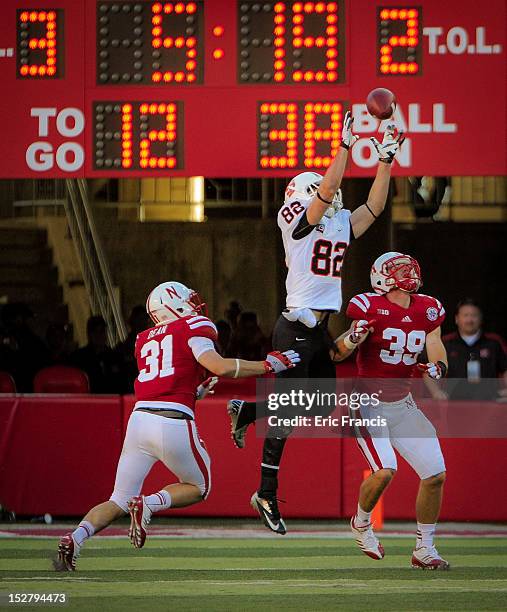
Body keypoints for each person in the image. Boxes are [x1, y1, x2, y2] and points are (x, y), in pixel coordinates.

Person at [226, 112, 405, 534]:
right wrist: (343, 148)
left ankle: (248, 410)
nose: (337, 198)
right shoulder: (293, 216)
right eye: (325, 192)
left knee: (320, 404)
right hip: (296, 324)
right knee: (288, 412)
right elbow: (326, 191)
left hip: (317, 328)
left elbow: (374, 208)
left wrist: (385, 159)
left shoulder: (338, 220)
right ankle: (265, 492)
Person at [54, 281, 300, 571]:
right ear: (173, 304)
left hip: (139, 420)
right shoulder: (194, 326)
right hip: (171, 422)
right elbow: (219, 366)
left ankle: (74, 538)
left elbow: (165, 379)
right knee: (199, 486)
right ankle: (149, 504)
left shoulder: (144, 338)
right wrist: (268, 365)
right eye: (188, 299)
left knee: (118, 498)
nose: (195, 304)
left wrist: (195, 390)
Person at [333, 252, 449, 570]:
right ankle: (361, 523)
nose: (408, 271)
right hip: (367, 401)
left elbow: (435, 343)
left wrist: (438, 366)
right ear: (381, 277)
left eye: (409, 266)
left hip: (403, 403)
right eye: (399, 268)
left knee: (435, 475)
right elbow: (336, 352)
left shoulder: (429, 307)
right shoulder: (368, 305)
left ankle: (425, 548)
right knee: (385, 470)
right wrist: (354, 338)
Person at [440, 299, 507, 400]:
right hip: (453, 404)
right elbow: (429, 371)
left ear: (481, 318)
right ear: (457, 319)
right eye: (465, 315)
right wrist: (436, 392)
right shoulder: (446, 342)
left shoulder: (494, 342)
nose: (469, 320)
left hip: (489, 403)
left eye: (474, 315)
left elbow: (505, 368)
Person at [68, 315, 121, 393]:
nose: (99, 335)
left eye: (102, 331)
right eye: (95, 331)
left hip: (112, 401)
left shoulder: (115, 357)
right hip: (89, 401)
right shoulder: (79, 358)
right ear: (89, 334)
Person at [115, 305, 151, 393]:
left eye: (144, 319)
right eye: (139, 319)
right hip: (131, 390)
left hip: (149, 387)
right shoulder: (123, 348)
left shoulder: (153, 342)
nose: (142, 323)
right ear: (132, 322)